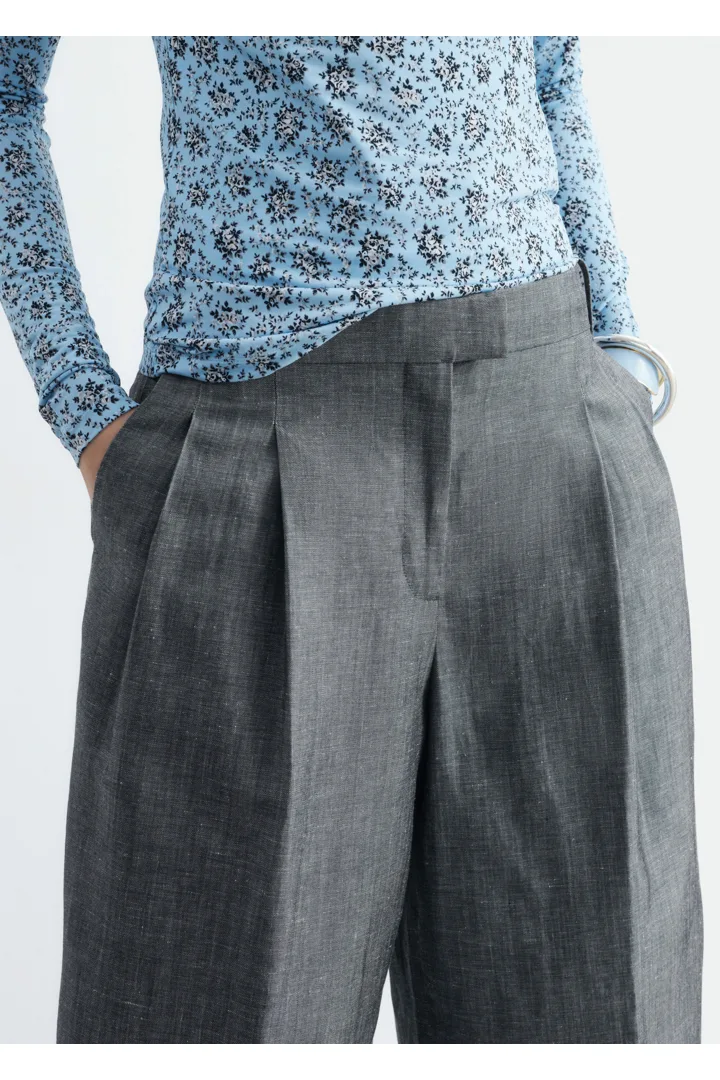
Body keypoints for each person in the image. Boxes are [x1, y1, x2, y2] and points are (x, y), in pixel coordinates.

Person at [0, 35, 702, 1044]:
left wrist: (618, 361)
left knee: (596, 1010)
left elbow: (550, 64)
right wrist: (86, 416)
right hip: (259, 449)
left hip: (554, 438)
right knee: (207, 1014)